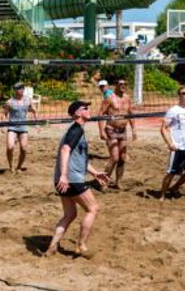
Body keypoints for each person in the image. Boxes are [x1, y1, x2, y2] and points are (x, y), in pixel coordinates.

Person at [45, 101, 110, 258]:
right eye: (85, 108)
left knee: (70, 214)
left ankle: (51, 247)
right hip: (71, 179)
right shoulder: (76, 130)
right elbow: (65, 150)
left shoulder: (75, 130)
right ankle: (81, 245)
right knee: (93, 209)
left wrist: (94, 173)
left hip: (63, 179)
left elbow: (78, 158)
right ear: (77, 113)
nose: (88, 110)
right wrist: (64, 175)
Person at [98, 78, 136, 189]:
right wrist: (101, 131)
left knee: (122, 158)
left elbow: (130, 114)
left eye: (125, 84)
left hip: (123, 131)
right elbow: (100, 114)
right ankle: (104, 181)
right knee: (114, 157)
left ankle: (118, 182)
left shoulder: (127, 98)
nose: (123, 85)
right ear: (116, 85)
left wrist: (134, 129)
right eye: (120, 84)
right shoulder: (109, 98)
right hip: (111, 130)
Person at [4, 82, 38, 173]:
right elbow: (5, 114)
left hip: (23, 127)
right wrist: (3, 126)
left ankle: (19, 167)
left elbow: (34, 111)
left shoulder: (28, 100)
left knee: (23, 149)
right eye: (18, 89)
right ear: (15, 90)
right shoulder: (9, 102)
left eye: (21, 88)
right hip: (12, 127)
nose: (20, 90)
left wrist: (36, 124)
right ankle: (11, 166)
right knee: (10, 147)